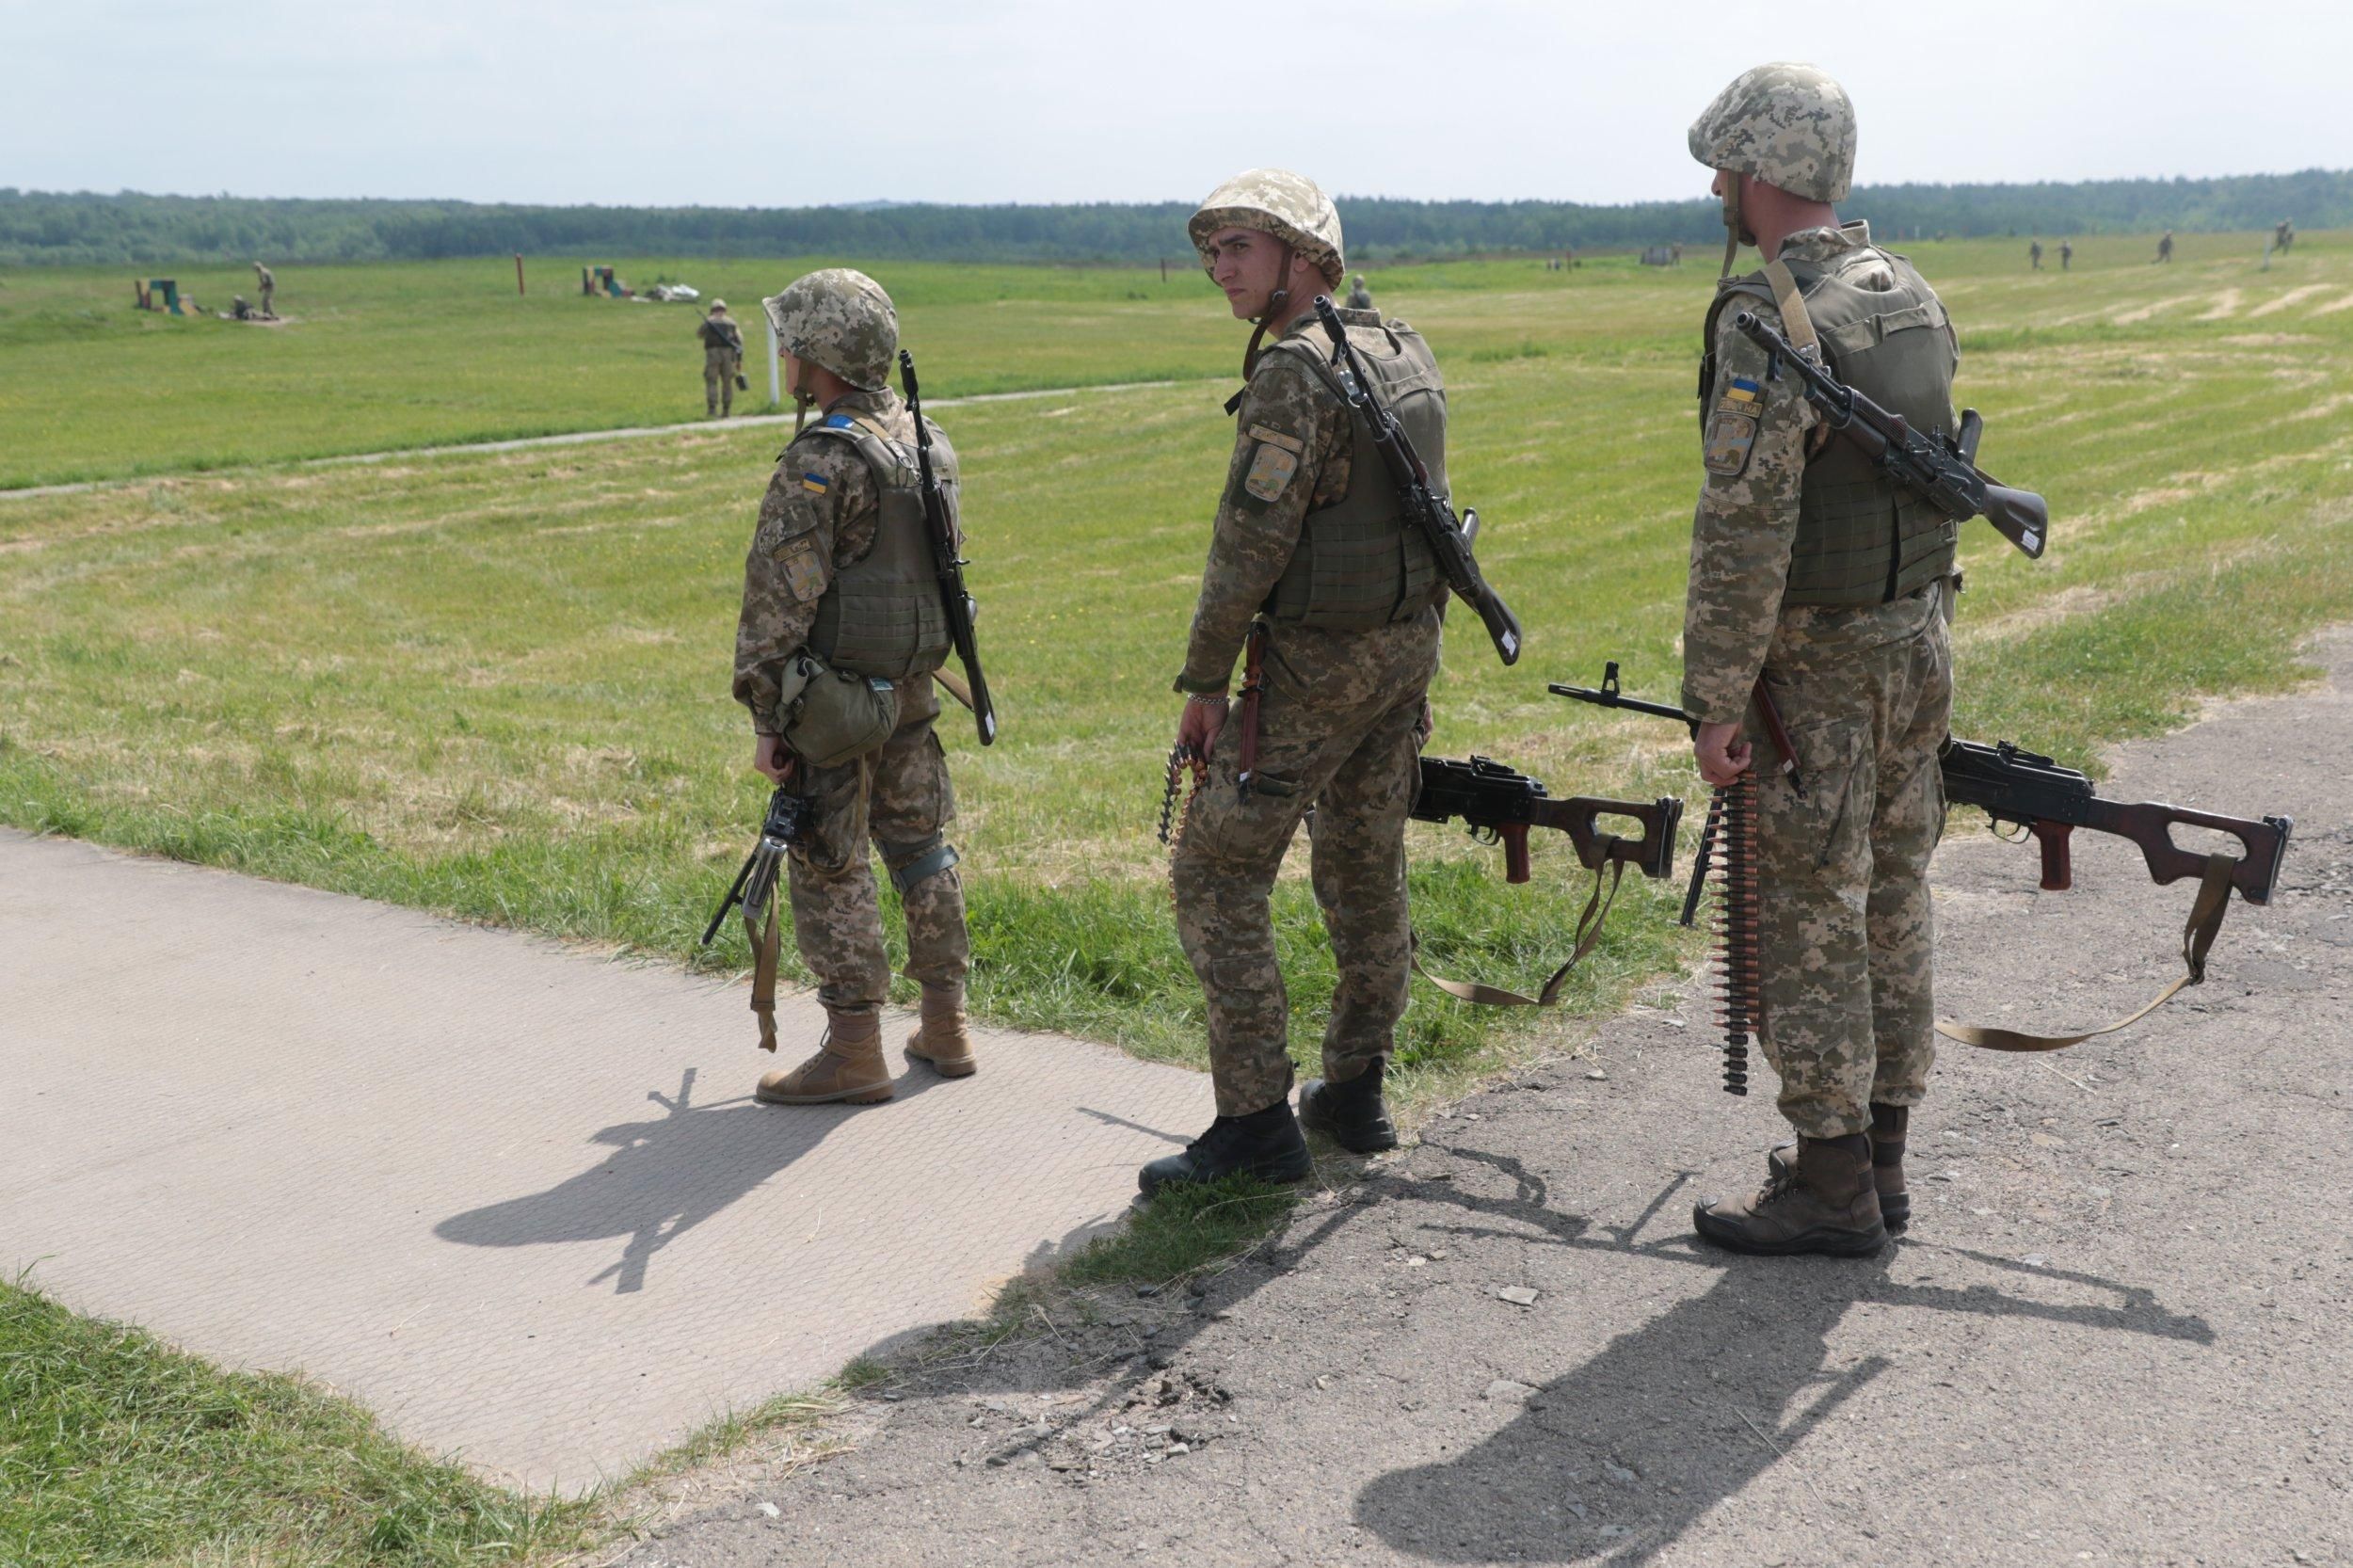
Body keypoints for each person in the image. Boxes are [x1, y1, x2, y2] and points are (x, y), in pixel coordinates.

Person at [1681, 62, 1960, 1257]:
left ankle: (1831, 1183)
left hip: (1820, 670)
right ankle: (1882, 1167)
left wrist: (1712, 699)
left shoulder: (1771, 320)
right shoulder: (1903, 293)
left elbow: (1744, 531)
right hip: (1915, 641)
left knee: (1808, 908)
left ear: (1749, 174)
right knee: (1894, 895)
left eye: (1720, 172)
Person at [1138, 168, 1449, 1198]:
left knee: (1216, 876)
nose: (1219, 268)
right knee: (1364, 865)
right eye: (1212, 249)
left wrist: (1203, 680)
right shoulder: (1397, 346)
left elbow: (1246, 549)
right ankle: (1354, 1090)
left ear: (1303, 257)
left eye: (1240, 247)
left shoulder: (1291, 374)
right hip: (1400, 653)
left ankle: (1255, 1123)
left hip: (1314, 668)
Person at [731, 268, 974, 1106]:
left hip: (834, 706)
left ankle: (855, 1048)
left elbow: (777, 600)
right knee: (923, 848)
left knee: (830, 863)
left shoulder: (824, 460)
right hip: (913, 690)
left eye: (794, 341)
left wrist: (768, 715)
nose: (787, 354)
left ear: (819, 356)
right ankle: (945, 1022)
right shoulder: (927, 440)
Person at [699, 300, 745, 418]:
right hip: (728, 355)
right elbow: (739, 340)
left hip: (712, 354)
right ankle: (726, 411)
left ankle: (712, 410)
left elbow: (699, 334)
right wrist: (739, 360)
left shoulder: (709, 321)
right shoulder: (731, 322)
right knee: (727, 382)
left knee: (712, 381)